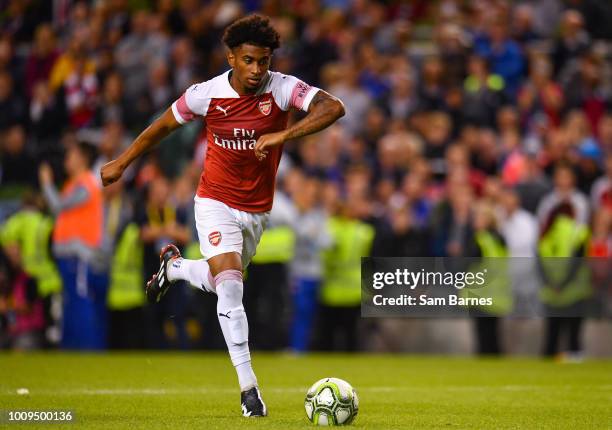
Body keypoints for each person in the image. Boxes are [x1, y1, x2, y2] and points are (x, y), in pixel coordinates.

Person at [100, 15, 344, 417]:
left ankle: (176, 268)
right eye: (248, 60)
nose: (256, 70)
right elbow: (161, 127)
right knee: (231, 288)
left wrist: (283, 134)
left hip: (256, 210)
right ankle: (249, 391)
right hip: (213, 199)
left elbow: (333, 107)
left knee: (220, 281)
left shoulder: (282, 88)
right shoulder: (205, 94)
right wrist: (123, 162)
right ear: (231, 56)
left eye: (263, 61)